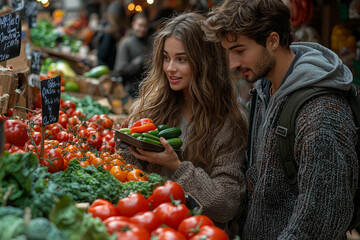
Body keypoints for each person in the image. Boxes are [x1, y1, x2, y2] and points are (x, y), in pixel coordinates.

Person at [203, 0, 359, 239]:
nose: (233, 64)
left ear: (273, 41)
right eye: (229, 53)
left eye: (240, 51)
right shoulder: (264, 89)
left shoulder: (320, 111)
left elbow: (321, 219)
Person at [118, 12, 248, 237]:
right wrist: (126, 145)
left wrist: (178, 167)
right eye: (166, 57)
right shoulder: (152, 107)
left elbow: (226, 203)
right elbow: (128, 175)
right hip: (145, 225)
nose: (169, 68)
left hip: (194, 232)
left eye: (181, 59)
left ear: (204, 62)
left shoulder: (228, 125)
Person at [114, 13, 151, 98]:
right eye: (140, 25)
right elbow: (119, 70)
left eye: (145, 26)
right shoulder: (126, 43)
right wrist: (139, 61)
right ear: (133, 24)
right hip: (130, 90)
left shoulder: (149, 42)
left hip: (147, 89)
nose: (142, 29)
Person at [95, 1, 127, 70]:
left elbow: (101, 55)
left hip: (107, 71)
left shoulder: (109, 32)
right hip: (117, 70)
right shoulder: (124, 31)